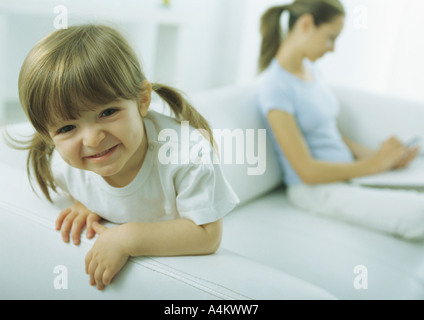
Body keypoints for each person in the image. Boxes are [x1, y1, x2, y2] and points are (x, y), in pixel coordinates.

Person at [17, 24, 239, 290]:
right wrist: (84, 201)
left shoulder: (188, 155)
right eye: (67, 128)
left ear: (142, 100)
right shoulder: (64, 165)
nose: (92, 140)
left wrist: (127, 238)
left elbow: (208, 235)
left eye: (108, 112)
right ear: (48, 136)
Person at [257, 0, 424, 239]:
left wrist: (383, 157)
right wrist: (376, 164)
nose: (332, 48)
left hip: (347, 175)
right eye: (331, 37)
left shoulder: (311, 72)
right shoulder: (275, 87)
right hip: (315, 189)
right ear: (306, 24)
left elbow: (331, 134)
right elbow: (307, 171)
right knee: (420, 214)